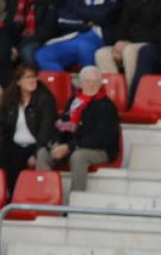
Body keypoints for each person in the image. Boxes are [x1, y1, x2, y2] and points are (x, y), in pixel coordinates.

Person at [37, 65, 121, 194]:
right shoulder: (73, 102)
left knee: (78, 157)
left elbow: (99, 139)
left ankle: (76, 199)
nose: (91, 85)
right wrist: (56, 145)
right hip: (72, 146)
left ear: (100, 84)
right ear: (80, 83)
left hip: (100, 150)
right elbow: (61, 126)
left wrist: (69, 147)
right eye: (87, 81)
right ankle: (47, 195)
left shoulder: (106, 106)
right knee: (43, 154)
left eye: (95, 82)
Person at [34, 0, 123, 72]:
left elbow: (102, 15)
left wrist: (77, 9)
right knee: (42, 55)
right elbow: (62, 19)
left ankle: (89, 87)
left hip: (100, 39)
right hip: (72, 36)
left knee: (84, 46)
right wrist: (88, 22)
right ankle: (66, 88)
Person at [94, 0, 161, 92]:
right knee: (102, 54)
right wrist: (119, 41)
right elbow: (123, 21)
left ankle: (131, 94)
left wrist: (128, 42)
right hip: (129, 42)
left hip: (152, 45)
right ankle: (115, 94)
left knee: (129, 51)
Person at [0, 63, 58, 198]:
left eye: (34, 77)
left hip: (35, 146)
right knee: (2, 153)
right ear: (18, 82)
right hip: (15, 144)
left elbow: (46, 130)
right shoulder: (9, 99)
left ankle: (23, 197)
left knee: (26, 159)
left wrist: (36, 153)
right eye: (28, 77)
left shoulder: (45, 99)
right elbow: (0, 127)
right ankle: (8, 194)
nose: (32, 80)